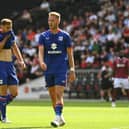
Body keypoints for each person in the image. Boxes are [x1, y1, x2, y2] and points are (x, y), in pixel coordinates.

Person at [38, 11, 76, 127]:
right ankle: (60, 118)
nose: (50, 22)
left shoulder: (65, 36)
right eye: (49, 20)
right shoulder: (43, 36)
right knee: (53, 97)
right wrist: (41, 61)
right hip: (49, 70)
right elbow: (40, 52)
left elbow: (70, 54)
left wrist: (72, 69)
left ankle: (57, 118)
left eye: (52, 20)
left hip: (61, 69)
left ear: (58, 21)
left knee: (59, 95)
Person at [0, 18, 26, 123]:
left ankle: (1, 106)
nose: (9, 29)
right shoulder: (3, 35)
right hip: (1, 65)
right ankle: (4, 116)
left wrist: (21, 60)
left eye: (10, 27)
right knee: (3, 92)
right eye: (7, 27)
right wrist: (6, 37)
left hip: (10, 65)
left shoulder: (11, 34)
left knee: (14, 92)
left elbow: (14, 47)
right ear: (1, 27)